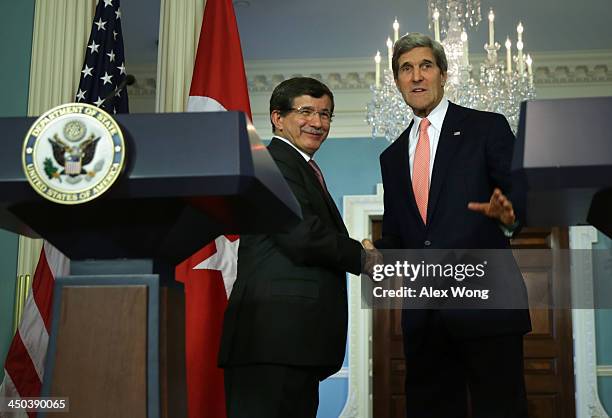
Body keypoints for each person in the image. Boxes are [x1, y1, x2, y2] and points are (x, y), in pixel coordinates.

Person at [365, 33, 531, 418]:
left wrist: (511, 216)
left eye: (426, 66)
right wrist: (377, 252)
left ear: (443, 74)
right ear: (397, 81)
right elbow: (400, 234)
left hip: (488, 308)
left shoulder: (486, 128)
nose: (417, 76)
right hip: (425, 319)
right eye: (406, 69)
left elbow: (517, 198)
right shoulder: (391, 157)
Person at [218, 77, 365, 418]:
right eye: (306, 111)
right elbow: (303, 237)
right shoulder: (271, 163)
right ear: (277, 118)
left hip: (291, 344)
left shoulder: (300, 168)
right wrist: (364, 257)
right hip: (272, 341)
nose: (317, 122)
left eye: (326, 114)